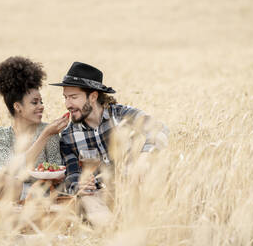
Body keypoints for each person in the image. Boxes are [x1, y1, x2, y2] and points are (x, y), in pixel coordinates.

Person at [50, 62, 169, 226]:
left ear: (93, 96)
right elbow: (72, 175)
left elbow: (159, 129)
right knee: (86, 199)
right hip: (101, 197)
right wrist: (79, 184)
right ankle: (114, 231)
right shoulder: (68, 135)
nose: (67, 104)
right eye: (66, 97)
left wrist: (144, 157)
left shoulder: (122, 115)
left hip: (135, 188)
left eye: (74, 97)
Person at [0, 56, 69, 201]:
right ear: (17, 107)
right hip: (7, 194)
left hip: (38, 196)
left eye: (41, 101)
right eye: (34, 102)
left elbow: (56, 173)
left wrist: (46, 135)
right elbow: (8, 170)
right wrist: (44, 136)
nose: (41, 106)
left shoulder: (50, 132)